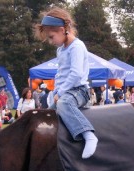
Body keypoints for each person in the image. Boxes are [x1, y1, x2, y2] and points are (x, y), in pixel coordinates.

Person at [35, 7, 98, 159]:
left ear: (63, 30)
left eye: (51, 37)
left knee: (63, 104)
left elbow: (76, 74)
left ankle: (88, 134)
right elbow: (60, 74)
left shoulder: (77, 47)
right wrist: (56, 91)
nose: (51, 41)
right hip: (65, 91)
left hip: (79, 91)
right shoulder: (61, 49)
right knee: (47, 114)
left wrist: (61, 93)